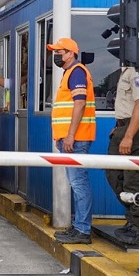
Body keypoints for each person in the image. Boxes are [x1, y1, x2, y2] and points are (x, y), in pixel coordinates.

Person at [46, 37, 96, 244]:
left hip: (75, 139)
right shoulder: (70, 73)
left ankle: (83, 230)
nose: (56, 55)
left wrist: (70, 135)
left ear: (71, 53)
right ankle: (79, 227)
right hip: (72, 139)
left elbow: (80, 104)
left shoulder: (76, 72)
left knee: (79, 183)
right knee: (77, 184)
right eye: (55, 52)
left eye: (60, 52)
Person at [105, 66, 139, 246]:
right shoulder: (127, 71)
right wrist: (120, 127)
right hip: (124, 127)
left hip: (136, 131)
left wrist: (129, 135)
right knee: (115, 175)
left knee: (133, 180)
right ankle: (133, 219)